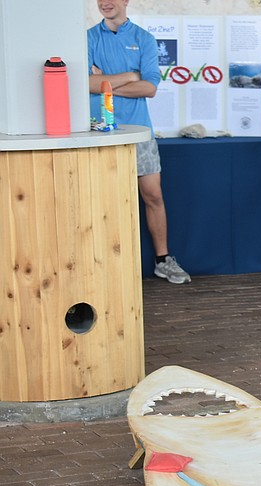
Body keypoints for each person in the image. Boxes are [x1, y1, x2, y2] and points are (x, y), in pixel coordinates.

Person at [88, 0, 190, 284]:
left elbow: (150, 88)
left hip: (140, 131)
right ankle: (105, 266)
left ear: (125, 1)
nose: (105, 3)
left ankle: (162, 260)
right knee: (105, 200)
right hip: (101, 131)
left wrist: (106, 82)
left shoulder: (144, 38)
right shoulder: (88, 38)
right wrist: (129, 77)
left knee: (153, 196)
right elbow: (86, 84)